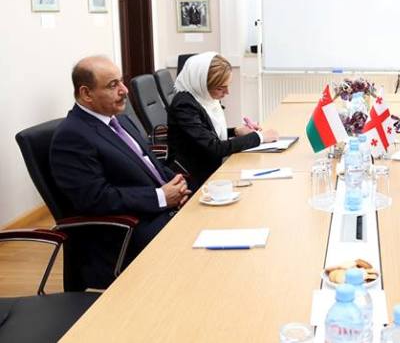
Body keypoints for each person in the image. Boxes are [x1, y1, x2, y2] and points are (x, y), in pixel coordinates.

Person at [50, 56, 191, 288]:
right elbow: (95, 198)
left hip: (160, 210)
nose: (124, 90)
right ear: (86, 93)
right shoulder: (72, 136)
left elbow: (152, 164)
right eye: (112, 85)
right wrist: (161, 197)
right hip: (129, 230)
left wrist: (179, 186)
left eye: (121, 81)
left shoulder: (121, 121)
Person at [167, 52, 279, 189]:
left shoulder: (203, 97)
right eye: (220, 88)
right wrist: (260, 137)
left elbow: (206, 131)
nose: (227, 92)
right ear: (202, 84)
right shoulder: (185, 105)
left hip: (210, 167)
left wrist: (236, 131)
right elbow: (214, 147)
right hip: (194, 178)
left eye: (227, 85)